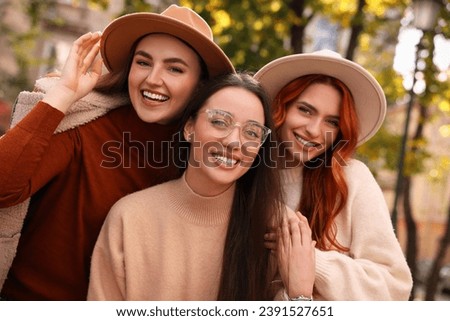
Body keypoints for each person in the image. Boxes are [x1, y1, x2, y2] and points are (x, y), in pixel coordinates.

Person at [0, 4, 234, 300]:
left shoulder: (202, 162)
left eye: (175, 68)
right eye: (143, 62)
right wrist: (63, 94)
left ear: (200, 85)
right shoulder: (85, 125)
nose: (153, 79)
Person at [87, 72, 316, 301]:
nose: (234, 141)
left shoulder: (277, 226)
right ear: (189, 128)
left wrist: (300, 295)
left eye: (252, 133)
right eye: (219, 121)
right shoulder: (129, 218)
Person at [255, 50, 413, 300]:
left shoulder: (352, 179)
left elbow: (394, 287)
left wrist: (312, 260)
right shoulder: (245, 173)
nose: (314, 130)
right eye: (305, 110)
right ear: (280, 108)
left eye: (331, 122)